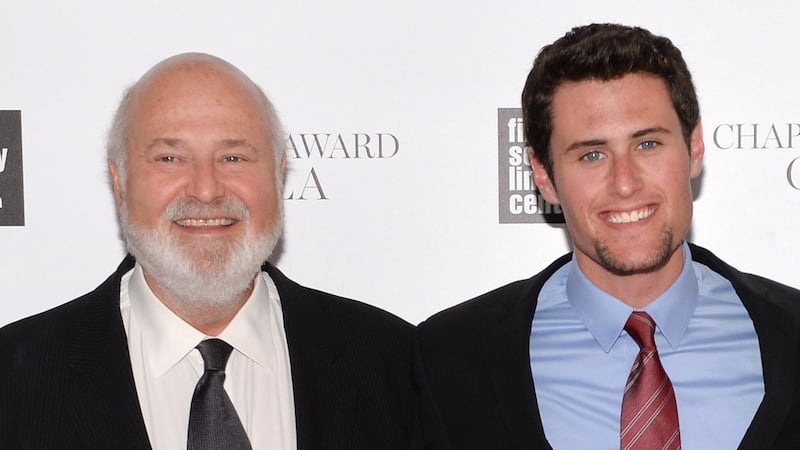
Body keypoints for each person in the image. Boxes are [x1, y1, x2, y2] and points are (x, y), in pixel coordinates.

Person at [0, 53, 429, 449]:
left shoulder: (397, 365)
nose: (206, 190)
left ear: (279, 175)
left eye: (234, 158)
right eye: (169, 159)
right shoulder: (16, 382)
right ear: (120, 182)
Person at [417, 23, 800, 449]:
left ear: (693, 147)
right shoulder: (452, 358)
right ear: (543, 176)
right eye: (592, 154)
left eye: (648, 144)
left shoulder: (792, 331)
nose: (624, 183)